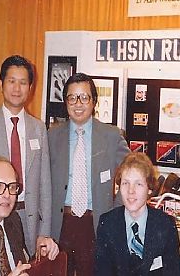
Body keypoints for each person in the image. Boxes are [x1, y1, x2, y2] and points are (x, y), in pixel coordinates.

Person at [0, 55, 53, 255]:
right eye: (11, 81)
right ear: (1, 84)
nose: (16, 88)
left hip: (29, 218)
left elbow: (45, 185)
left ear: (30, 87)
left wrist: (45, 231)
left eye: (23, 83)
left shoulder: (38, 128)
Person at [48, 72, 130, 276]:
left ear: (94, 101)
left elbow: (133, 171)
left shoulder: (112, 136)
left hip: (96, 225)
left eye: (84, 97)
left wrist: (117, 208)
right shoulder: (51, 135)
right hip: (60, 225)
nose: (78, 103)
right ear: (66, 102)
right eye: (72, 97)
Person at [95, 152, 180, 276]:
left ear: (150, 188)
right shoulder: (107, 224)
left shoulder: (165, 226)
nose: (131, 191)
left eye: (138, 184)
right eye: (125, 183)